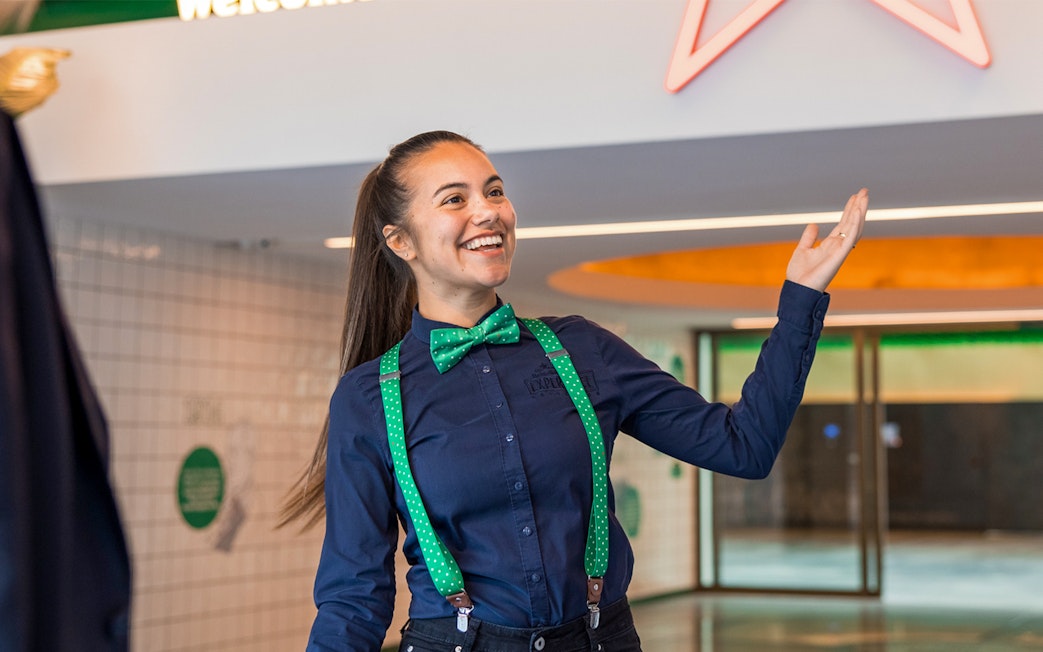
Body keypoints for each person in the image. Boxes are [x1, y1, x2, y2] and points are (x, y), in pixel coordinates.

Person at [282, 130, 868, 652]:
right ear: (400, 241)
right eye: (455, 199)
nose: (488, 212)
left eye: (494, 191)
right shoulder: (367, 397)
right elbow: (354, 597)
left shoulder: (582, 350)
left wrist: (800, 301)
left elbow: (743, 446)